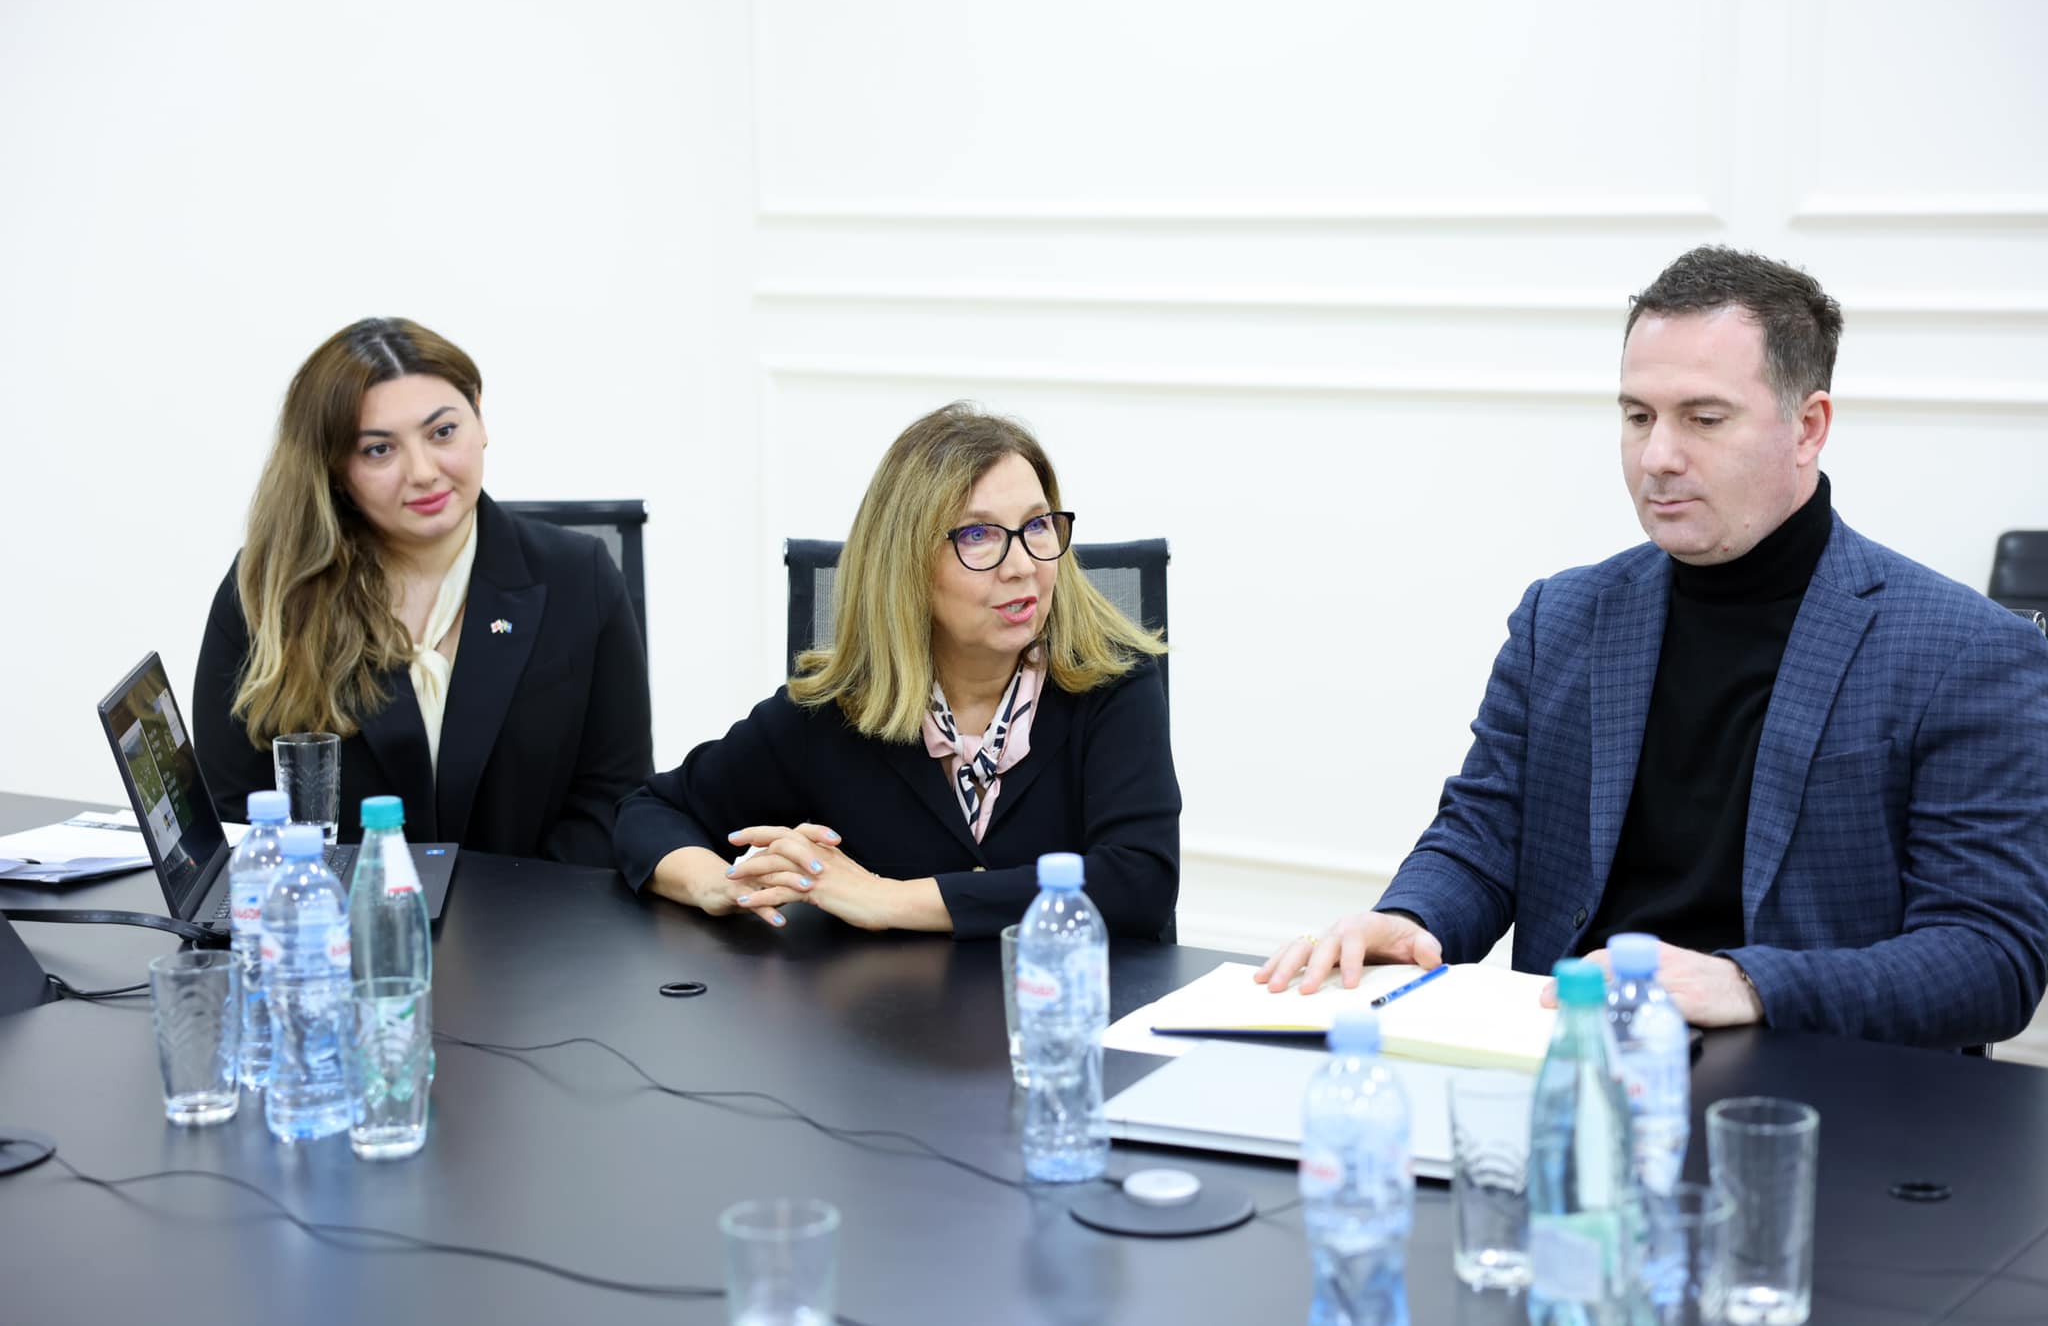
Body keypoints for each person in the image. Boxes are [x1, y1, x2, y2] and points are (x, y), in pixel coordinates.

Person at [1256, 247, 2048, 1050]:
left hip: (1810, 1086)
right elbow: (1484, 838)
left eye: (1704, 419)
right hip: (1571, 1065)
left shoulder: (1968, 653)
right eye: (1638, 417)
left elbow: (1992, 957)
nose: (1658, 457)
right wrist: (1412, 916)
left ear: (1808, 428)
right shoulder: (1561, 616)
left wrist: (1747, 983)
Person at [614, 402, 1178, 939]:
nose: (1023, 565)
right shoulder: (835, 710)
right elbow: (652, 812)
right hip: (888, 1007)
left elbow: (1138, 881)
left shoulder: (1113, 682)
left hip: (1066, 1000)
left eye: (1037, 525)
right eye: (977, 535)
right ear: (905, 562)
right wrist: (720, 884)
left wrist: (884, 899)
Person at [193, 318, 651, 866]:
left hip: (536, 910)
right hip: (336, 911)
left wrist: (509, 905)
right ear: (334, 468)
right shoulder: (270, 590)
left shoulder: (580, 577)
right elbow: (232, 813)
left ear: (479, 416)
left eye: (442, 432)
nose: (424, 472)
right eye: (379, 450)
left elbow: (613, 801)